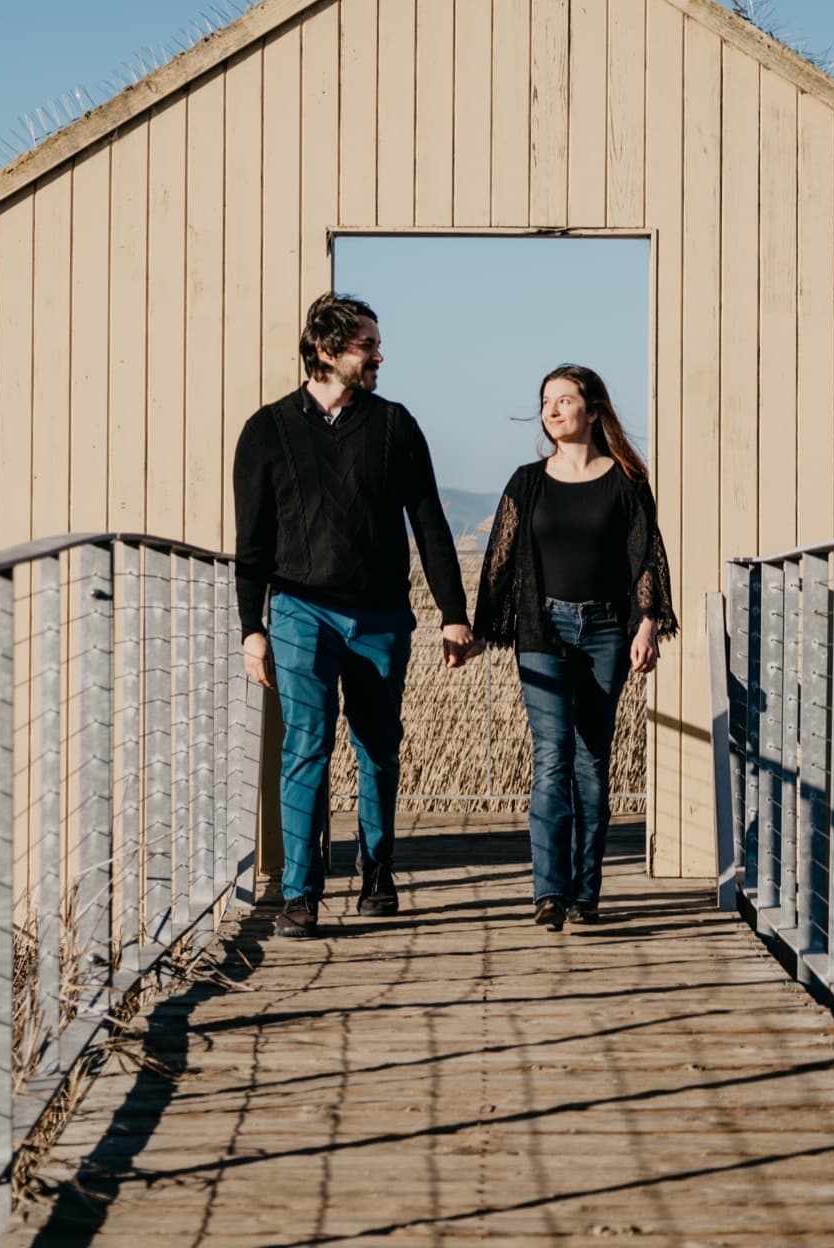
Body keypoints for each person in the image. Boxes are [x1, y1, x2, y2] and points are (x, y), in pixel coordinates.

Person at [233, 293, 477, 940]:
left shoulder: (395, 425)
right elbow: (251, 543)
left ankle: (378, 871)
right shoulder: (267, 430)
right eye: (366, 344)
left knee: (378, 747)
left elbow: (429, 524)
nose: (378, 355)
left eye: (374, 343)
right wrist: (250, 629)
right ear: (324, 350)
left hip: (380, 617)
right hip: (297, 611)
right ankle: (300, 895)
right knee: (304, 747)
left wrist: (454, 613)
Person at [472, 364, 676, 930]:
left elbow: (646, 559)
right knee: (552, 756)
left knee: (591, 761)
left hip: (608, 631)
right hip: (544, 632)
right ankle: (549, 892)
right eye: (546, 402)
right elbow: (500, 561)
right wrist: (479, 628)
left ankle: (587, 893)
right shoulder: (526, 482)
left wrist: (646, 625)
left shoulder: (628, 481)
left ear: (593, 409)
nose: (553, 410)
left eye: (565, 400)